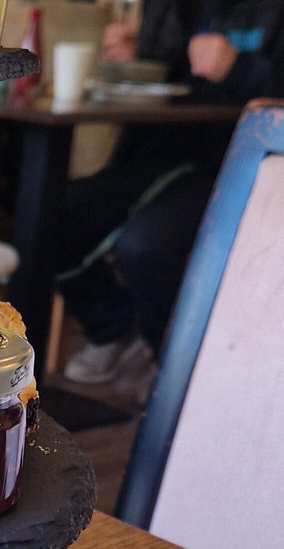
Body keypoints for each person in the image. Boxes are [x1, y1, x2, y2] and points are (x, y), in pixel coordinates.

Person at [56, 0, 284, 386]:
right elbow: (172, 76)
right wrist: (139, 61)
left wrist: (240, 68)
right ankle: (113, 325)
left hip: (234, 166)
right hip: (153, 154)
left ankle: (168, 360)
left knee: (143, 244)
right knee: (50, 216)